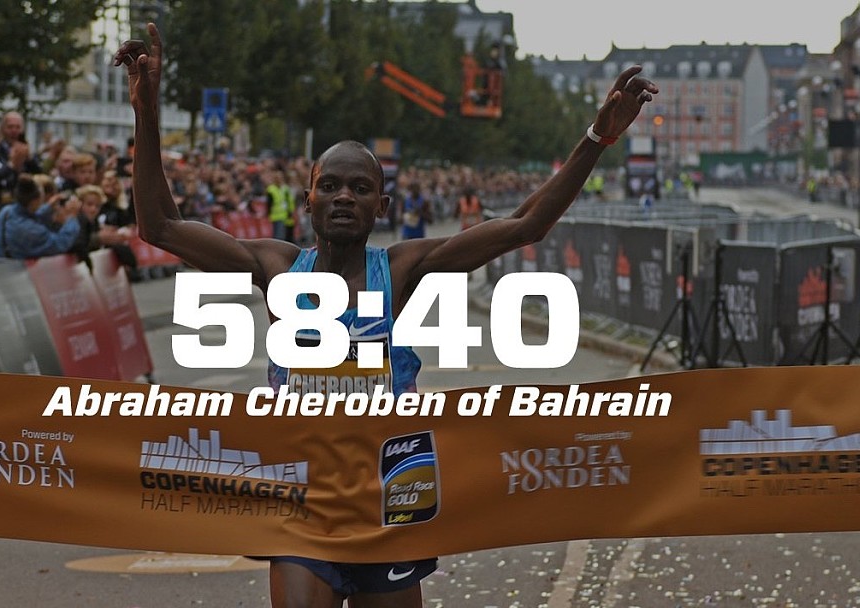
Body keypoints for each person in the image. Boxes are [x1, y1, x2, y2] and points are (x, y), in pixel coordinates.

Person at [115, 23, 656, 608]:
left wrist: (596, 138)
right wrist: (147, 114)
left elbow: (525, 226)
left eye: (360, 187)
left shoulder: (401, 270)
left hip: (391, 491)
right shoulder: (276, 268)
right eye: (331, 186)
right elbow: (160, 227)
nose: (344, 196)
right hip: (305, 493)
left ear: (382, 205)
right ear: (309, 200)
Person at [0, 174, 82, 259]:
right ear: (35, 201)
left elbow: (29, 215)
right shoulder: (29, 230)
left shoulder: (7, 210)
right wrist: (72, 218)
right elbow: (59, 244)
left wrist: (48, 206)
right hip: (9, 270)